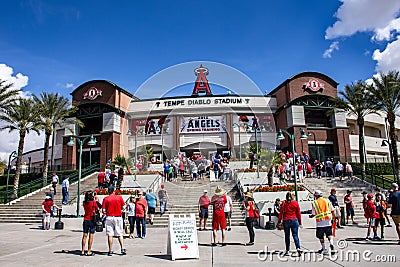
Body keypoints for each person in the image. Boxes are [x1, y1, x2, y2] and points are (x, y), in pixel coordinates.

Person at [102, 186, 126, 256]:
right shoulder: (119, 198)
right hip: (118, 216)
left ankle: (110, 250)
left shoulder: (106, 199)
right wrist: (120, 210)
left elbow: (103, 210)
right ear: (114, 190)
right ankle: (122, 248)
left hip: (109, 217)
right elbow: (123, 207)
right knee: (119, 233)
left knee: (110, 234)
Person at [309, 190, 335, 255]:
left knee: (321, 236)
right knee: (329, 235)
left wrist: (311, 216)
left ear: (316, 195)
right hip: (328, 221)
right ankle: (331, 244)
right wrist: (334, 218)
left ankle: (324, 248)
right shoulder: (327, 201)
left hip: (320, 223)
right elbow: (332, 210)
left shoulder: (314, 203)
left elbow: (313, 213)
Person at [277, 192, 302, 256]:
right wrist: (300, 222)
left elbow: (281, 213)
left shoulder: (284, 203)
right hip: (294, 220)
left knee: (287, 236)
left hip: (286, 220)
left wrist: (279, 221)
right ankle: (298, 248)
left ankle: (287, 250)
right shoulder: (295, 203)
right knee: (295, 235)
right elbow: (298, 213)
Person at [81, 191, 99, 256]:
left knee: (85, 235)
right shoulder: (93, 202)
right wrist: (95, 200)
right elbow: (97, 208)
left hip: (86, 219)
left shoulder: (84, 203)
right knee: (91, 236)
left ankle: (82, 250)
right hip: (92, 219)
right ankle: (89, 250)